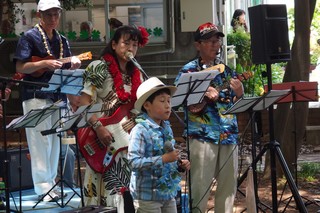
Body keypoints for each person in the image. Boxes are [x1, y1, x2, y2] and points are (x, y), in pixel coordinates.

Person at [13, 0, 81, 202]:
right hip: (35, 95)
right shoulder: (28, 37)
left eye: (56, 14)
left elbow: (65, 68)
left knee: (54, 142)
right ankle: (43, 187)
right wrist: (44, 63)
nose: (53, 19)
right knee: (39, 143)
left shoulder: (63, 40)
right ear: (39, 15)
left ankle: (51, 183)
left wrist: (73, 64)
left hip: (57, 96)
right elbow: (20, 67)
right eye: (49, 14)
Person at [78, 25, 149, 211]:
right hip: (102, 140)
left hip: (128, 142)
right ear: (114, 44)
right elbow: (83, 103)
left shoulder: (137, 73)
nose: (130, 48)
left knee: (127, 196)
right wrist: (98, 127)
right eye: (126, 43)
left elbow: (138, 109)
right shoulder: (98, 67)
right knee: (107, 193)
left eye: (135, 44)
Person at [175, 22, 244, 213]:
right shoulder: (189, 70)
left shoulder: (227, 71)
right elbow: (176, 101)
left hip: (228, 134)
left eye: (218, 40)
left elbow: (236, 103)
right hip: (202, 136)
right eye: (210, 41)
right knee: (199, 188)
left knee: (228, 189)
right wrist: (203, 90)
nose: (216, 45)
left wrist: (239, 93)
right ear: (198, 45)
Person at [128, 77, 190, 212]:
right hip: (147, 196)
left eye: (169, 100)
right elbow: (133, 162)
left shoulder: (167, 127)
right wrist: (163, 159)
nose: (168, 105)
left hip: (167, 193)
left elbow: (169, 156)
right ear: (147, 105)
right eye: (162, 101)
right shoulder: (140, 130)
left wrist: (179, 163)